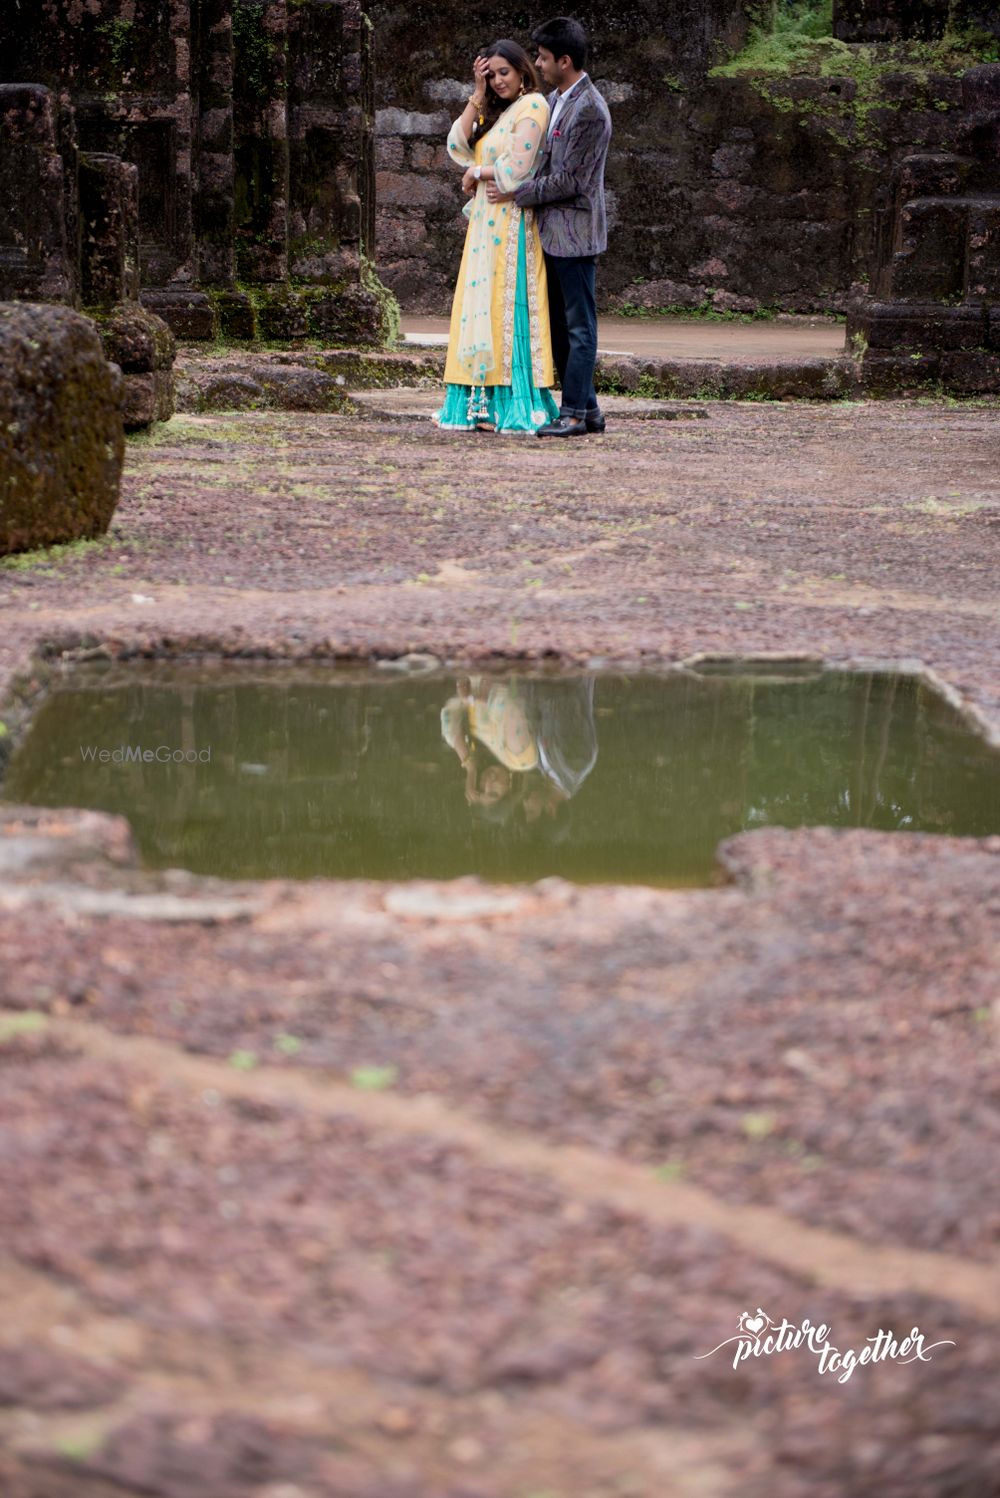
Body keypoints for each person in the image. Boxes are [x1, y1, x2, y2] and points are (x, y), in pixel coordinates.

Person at [487, 16, 612, 438]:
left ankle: (574, 413)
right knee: (559, 326)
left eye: (542, 58)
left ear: (564, 60)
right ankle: (588, 410)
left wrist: (515, 192)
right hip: (553, 233)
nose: (537, 65)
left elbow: (571, 181)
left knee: (579, 327)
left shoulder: (590, 109)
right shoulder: (560, 99)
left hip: (575, 234)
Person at [434, 41, 561, 434]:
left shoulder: (533, 106)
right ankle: (478, 406)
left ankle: (513, 403)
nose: (498, 80)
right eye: (492, 75)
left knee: (508, 307)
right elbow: (457, 145)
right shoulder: (497, 112)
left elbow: (520, 167)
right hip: (484, 226)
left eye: (505, 72)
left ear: (523, 72)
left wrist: (479, 174)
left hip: (512, 223)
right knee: (479, 310)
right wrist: (476, 93)